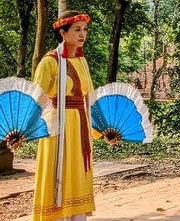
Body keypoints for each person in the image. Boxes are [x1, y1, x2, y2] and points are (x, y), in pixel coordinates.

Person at [30, 11, 118, 221]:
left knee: (78, 177)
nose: (82, 34)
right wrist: (23, 131)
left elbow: (90, 100)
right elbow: (35, 100)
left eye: (85, 29)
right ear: (63, 33)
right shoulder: (49, 62)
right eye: (77, 29)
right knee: (56, 176)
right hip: (57, 129)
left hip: (80, 128)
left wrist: (104, 130)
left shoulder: (82, 62)